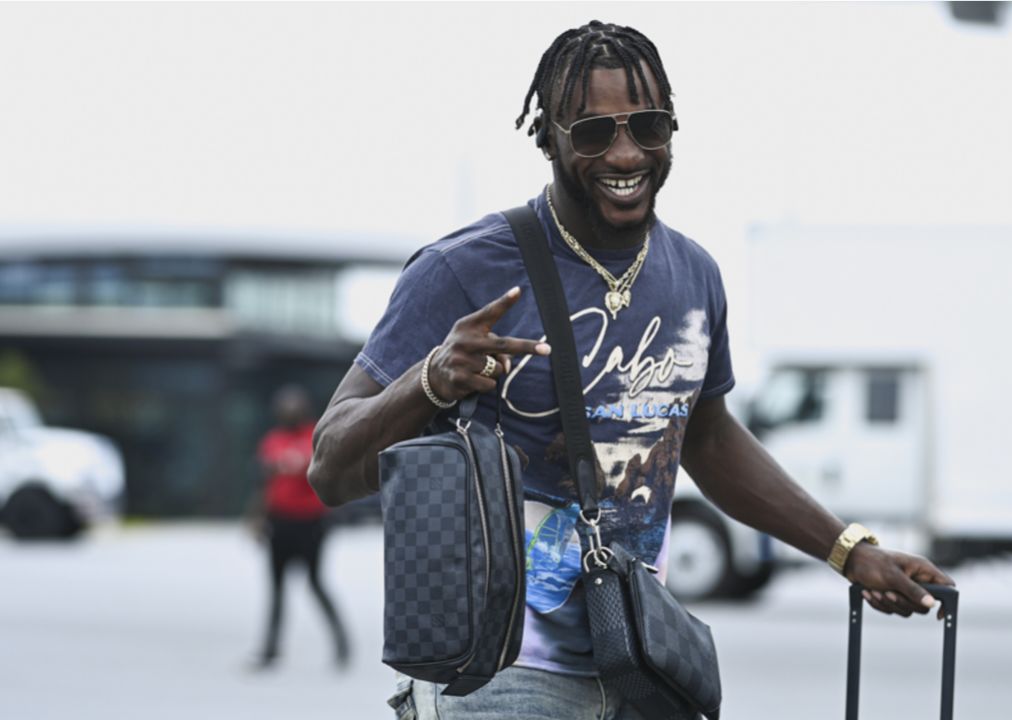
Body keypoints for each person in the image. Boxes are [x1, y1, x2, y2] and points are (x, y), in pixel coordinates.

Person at [308, 20, 953, 718]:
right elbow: (329, 468)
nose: (626, 152)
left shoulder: (692, 275)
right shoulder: (463, 269)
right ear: (548, 136)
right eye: (592, 133)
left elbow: (706, 438)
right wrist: (427, 381)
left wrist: (849, 553)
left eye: (648, 126)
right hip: (499, 671)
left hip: (638, 661)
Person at [248, 384, 350, 671]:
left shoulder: (316, 437)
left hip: (311, 523)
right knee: (276, 589)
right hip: (279, 523)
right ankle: (270, 651)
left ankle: (342, 645)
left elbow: (333, 478)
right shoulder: (272, 441)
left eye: (294, 406)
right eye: (284, 407)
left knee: (316, 584)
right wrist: (256, 519)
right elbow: (264, 484)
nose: (288, 411)